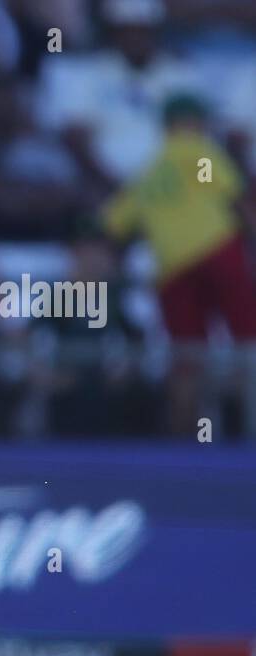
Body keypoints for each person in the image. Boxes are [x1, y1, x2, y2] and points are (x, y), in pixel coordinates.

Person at [102, 93, 256, 435]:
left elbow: (112, 223)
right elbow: (236, 197)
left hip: (172, 268)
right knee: (248, 340)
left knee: (186, 357)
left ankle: (183, 441)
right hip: (218, 251)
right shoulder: (197, 149)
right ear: (189, 122)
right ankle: (249, 431)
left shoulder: (148, 172)